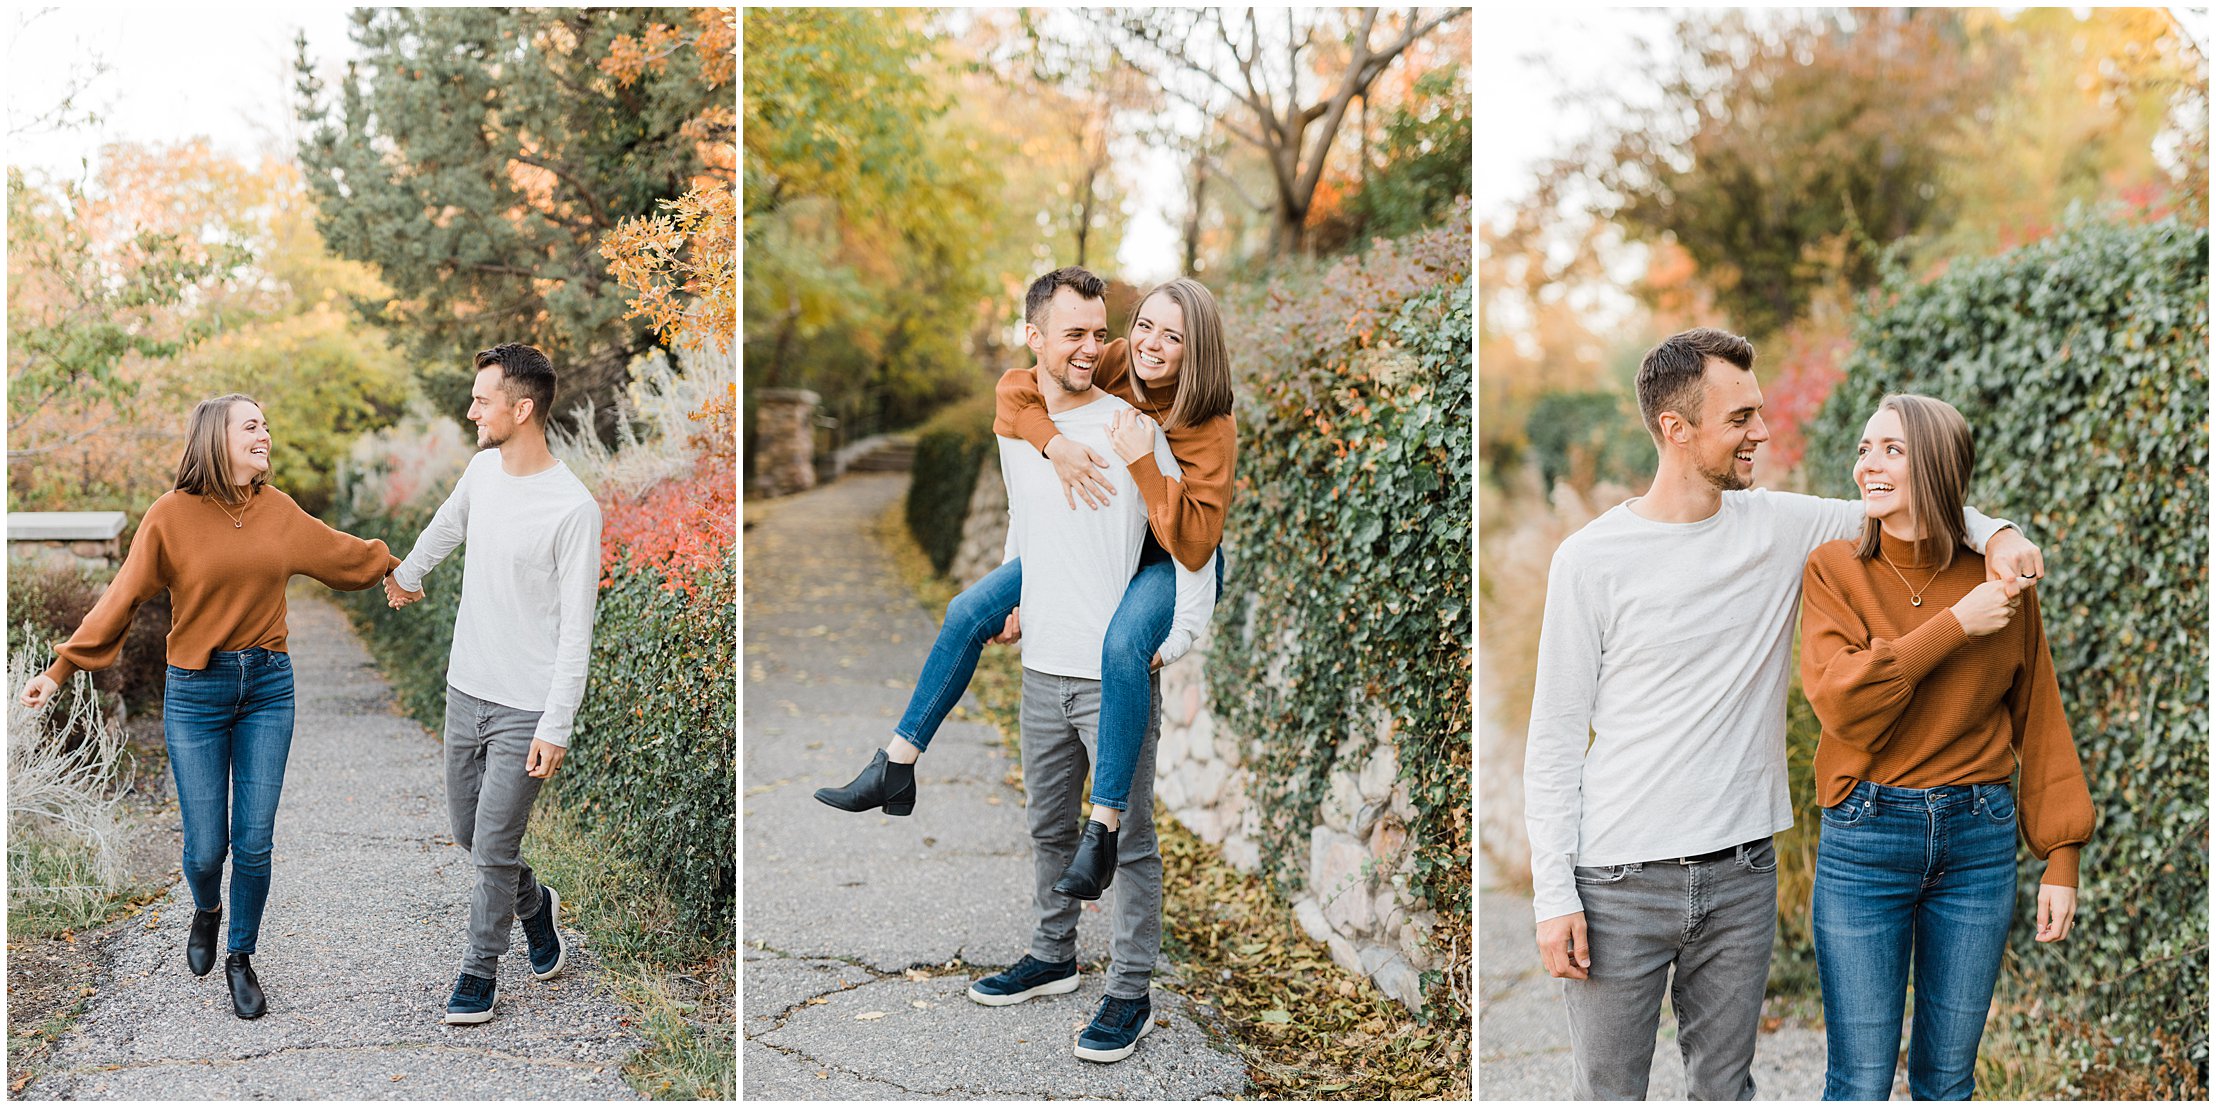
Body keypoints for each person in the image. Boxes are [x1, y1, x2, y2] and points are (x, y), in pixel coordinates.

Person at [1523, 329, 2045, 1099]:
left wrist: (2000, 534)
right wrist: (1553, 895)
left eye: (1760, 412)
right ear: (1677, 429)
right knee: (1608, 1091)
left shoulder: (1779, 526)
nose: (1762, 432)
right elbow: (1556, 740)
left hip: (1741, 874)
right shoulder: (1590, 560)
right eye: (1740, 419)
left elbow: (1908, 504)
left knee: (1727, 1091)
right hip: (1617, 879)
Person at [815, 267, 1234, 899]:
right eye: (1144, 325)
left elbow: (1200, 544)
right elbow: (1015, 390)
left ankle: (1104, 828)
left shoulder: (1210, 424)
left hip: (1165, 559)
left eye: (1172, 337)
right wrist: (1054, 446)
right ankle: (896, 765)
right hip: (1086, 547)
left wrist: (1145, 464)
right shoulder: (1115, 358)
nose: (1149, 343)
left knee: (1121, 648)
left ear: (1196, 350)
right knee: (965, 612)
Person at [18, 394, 400, 1020]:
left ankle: (240, 957)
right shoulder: (170, 516)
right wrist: (60, 669)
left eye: (266, 426)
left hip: (269, 689)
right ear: (214, 439)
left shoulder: (277, 510)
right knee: (204, 849)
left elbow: (340, 554)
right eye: (251, 426)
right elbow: (121, 596)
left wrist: (393, 566)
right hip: (196, 692)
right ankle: (206, 910)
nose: (265, 434)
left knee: (253, 842)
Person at [939, 268, 1213, 1064]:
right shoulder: (1022, 421)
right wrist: (1015, 589)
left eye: (1103, 333)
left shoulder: (1136, 425)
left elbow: (1194, 549)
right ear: (1037, 336)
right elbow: (1027, 515)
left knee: (1128, 839)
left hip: (1114, 676)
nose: (1096, 347)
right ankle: (1053, 956)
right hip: (1043, 665)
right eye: (1078, 334)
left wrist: (1185, 633)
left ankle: (1130, 991)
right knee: (1047, 824)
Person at [1798, 394, 2090, 1100]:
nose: (1868, 463)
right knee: (1861, 1081)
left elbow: (2039, 713)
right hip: (1865, 839)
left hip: (1978, 845)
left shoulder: (2001, 578)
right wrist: (1957, 624)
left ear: (1937, 465)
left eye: (1892, 450)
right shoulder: (1834, 569)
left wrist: (2062, 857)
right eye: (1866, 448)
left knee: (1947, 1081)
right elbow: (1844, 702)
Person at [384, 343, 601, 1026]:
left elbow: (576, 631)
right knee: (469, 833)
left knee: (494, 849)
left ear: (522, 407)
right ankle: (536, 907)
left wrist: (554, 725)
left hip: (525, 706)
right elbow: (448, 526)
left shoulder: (573, 509)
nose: (472, 411)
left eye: (483, 400)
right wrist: (407, 574)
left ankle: (479, 971)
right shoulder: (481, 473)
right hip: (465, 687)